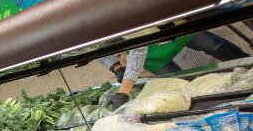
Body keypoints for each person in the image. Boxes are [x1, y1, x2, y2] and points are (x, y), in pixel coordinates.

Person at [102, 31, 248, 108]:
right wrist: (115, 66)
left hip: (173, 30)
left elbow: (138, 48)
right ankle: (220, 104)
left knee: (215, 46)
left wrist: (124, 90)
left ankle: (248, 65)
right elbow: (94, 50)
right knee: (182, 85)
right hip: (154, 57)